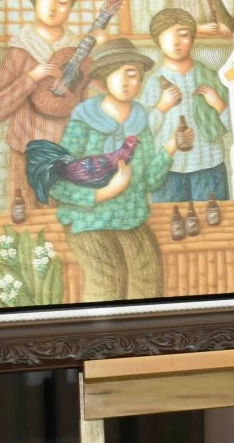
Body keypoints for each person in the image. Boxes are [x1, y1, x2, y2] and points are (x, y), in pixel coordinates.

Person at [48, 38, 179, 302]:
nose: (128, 81)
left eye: (134, 75)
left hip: (130, 216)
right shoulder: (84, 120)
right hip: (88, 218)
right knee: (108, 282)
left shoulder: (140, 119)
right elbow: (56, 183)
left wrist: (170, 148)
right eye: (119, 74)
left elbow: (148, 180)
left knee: (149, 278)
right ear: (104, 80)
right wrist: (103, 194)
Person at [0, 0, 105, 210]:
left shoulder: (79, 51)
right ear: (34, 3)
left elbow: (103, 97)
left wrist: (102, 52)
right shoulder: (20, 51)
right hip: (27, 151)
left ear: (71, 7)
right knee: (28, 221)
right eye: (45, 0)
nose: (53, 8)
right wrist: (31, 77)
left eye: (62, 2)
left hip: (69, 153)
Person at [138, 8, 232, 202]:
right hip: (169, 168)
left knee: (215, 223)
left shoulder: (209, 76)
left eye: (183, 35)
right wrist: (162, 107)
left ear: (192, 38)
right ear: (157, 40)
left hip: (209, 164)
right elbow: (141, 133)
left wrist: (219, 104)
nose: (176, 43)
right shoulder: (155, 82)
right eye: (167, 36)